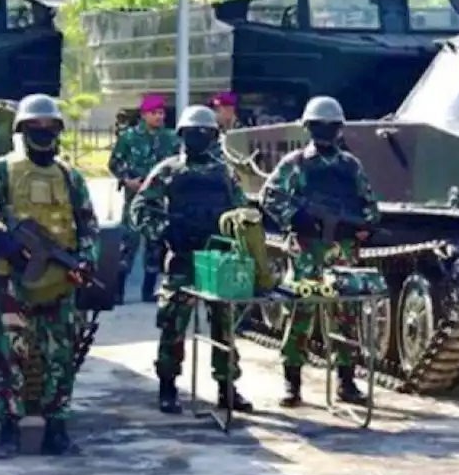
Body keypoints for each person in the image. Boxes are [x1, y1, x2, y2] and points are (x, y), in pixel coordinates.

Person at [0, 94, 100, 458]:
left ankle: (57, 430)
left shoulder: (70, 176)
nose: (44, 133)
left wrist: (84, 263)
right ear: (22, 131)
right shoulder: (1, 171)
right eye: (36, 128)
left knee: (60, 360)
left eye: (50, 128)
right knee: (10, 359)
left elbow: (88, 226)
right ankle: (8, 432)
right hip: (16, 287)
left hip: (61, 284)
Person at [130, 105, 252, 415]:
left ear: (213, 136)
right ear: (182, 135)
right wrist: (165, 230)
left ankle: (227, 388)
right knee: (173, 324)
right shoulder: (168, 170)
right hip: (183, 259)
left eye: (205, 133)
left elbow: (242, 214)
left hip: (218, 259)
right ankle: (168, 387)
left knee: (225, 326)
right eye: (193, 133)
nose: (199, 137)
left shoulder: (225, 172)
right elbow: (141, 208)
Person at [260, 95, 377, 408]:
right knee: (299, 314)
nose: (325, 131)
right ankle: (292, 382)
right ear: (308, 128)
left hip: (342, 252)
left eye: (330, 126)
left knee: (346, 317)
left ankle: (346, 381)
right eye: (319, 126)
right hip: (306, 253)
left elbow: (371, 207)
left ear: (339, 129)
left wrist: (359, 225)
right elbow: (269, 196)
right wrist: (295, 217)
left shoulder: (351, 166)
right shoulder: (295, 164)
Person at [108, 94, 179, 303]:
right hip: (134, 200)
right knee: (127, 245)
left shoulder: (170, 138)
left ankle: (148, 292)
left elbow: (177, 163)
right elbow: (114, 163)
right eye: (154, 113)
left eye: (161, 113)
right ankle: (118, 291)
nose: (159, 117)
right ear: (144, 115)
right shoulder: (129, 138)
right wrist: (128, 180)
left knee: (154, 247)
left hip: (157, 203)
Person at [208, 92, 238, 162]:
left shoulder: (240, 131)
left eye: (218, 110)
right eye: (214, 109)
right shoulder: (210, 129)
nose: (214, 113)